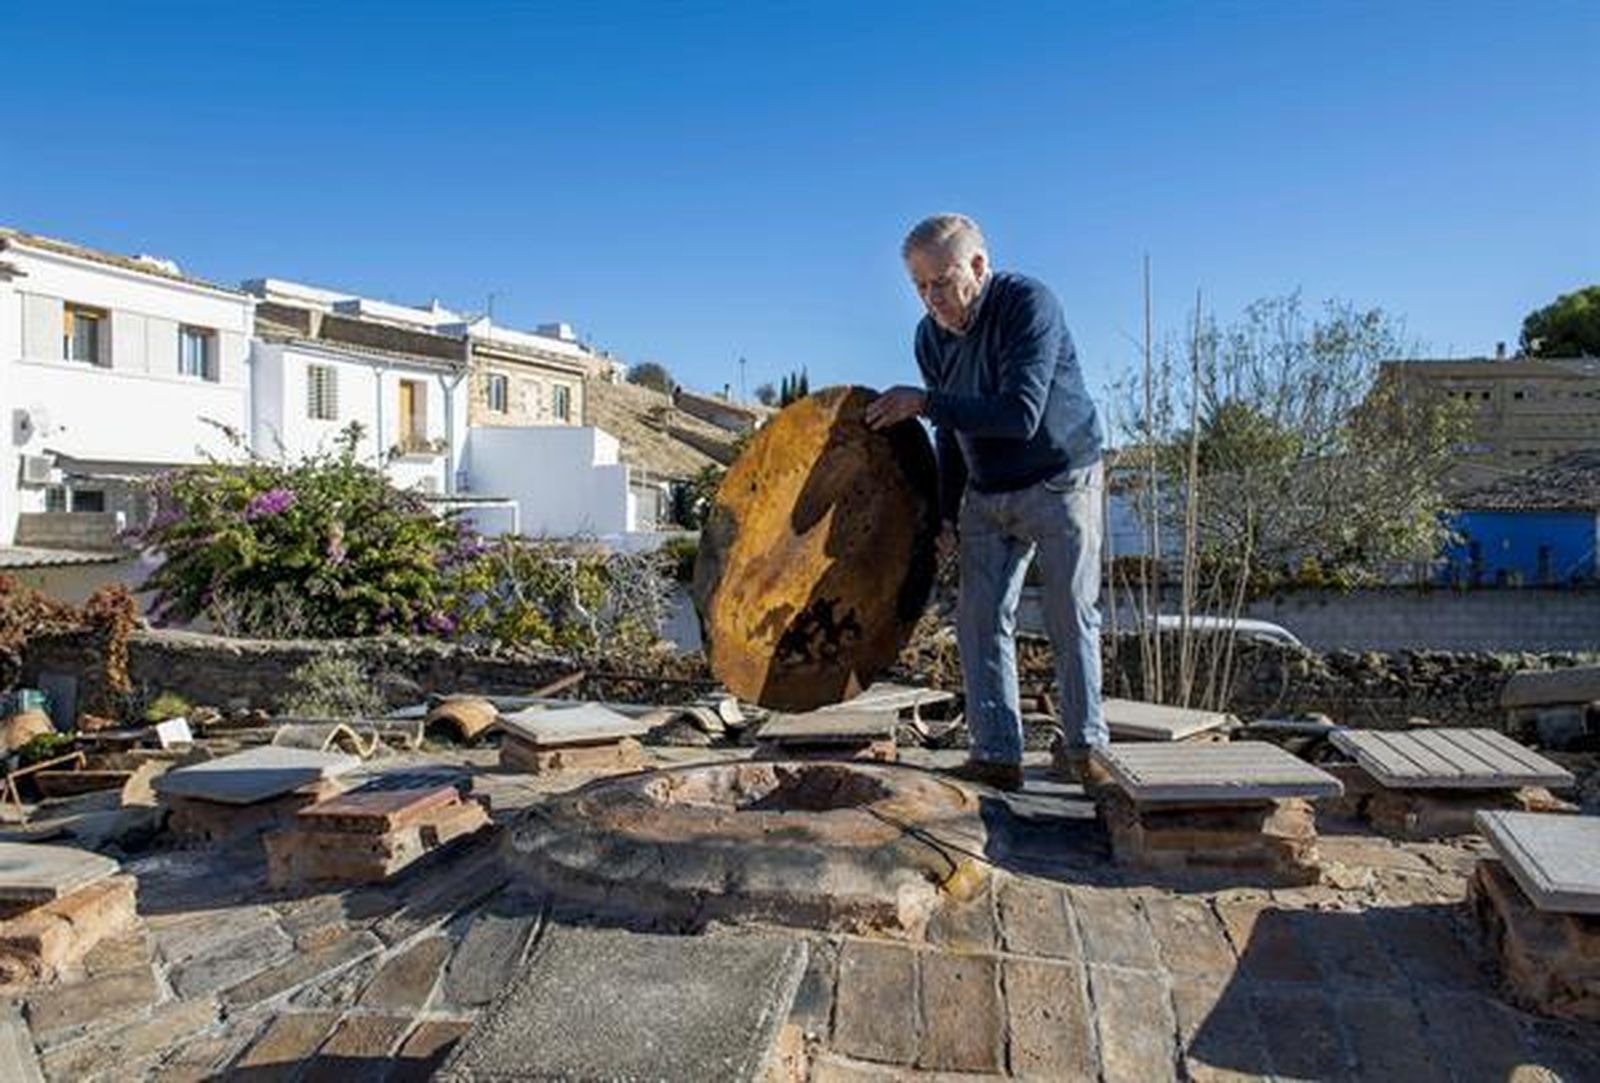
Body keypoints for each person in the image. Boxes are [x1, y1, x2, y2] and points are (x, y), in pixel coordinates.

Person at [865, 213, 1106, 791]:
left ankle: (1085, 752)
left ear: (978, 266)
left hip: (1059, 477)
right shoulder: (929, 338)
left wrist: (924, 402)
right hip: (987, 489)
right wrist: (948, 511)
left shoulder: (1028, 305)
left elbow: (1019, 415)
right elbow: (949, 432)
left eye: (941, 282)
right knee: (977, 619)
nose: (931, 299)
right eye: (919, 288)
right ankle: (997, 755)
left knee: (1070, 615)